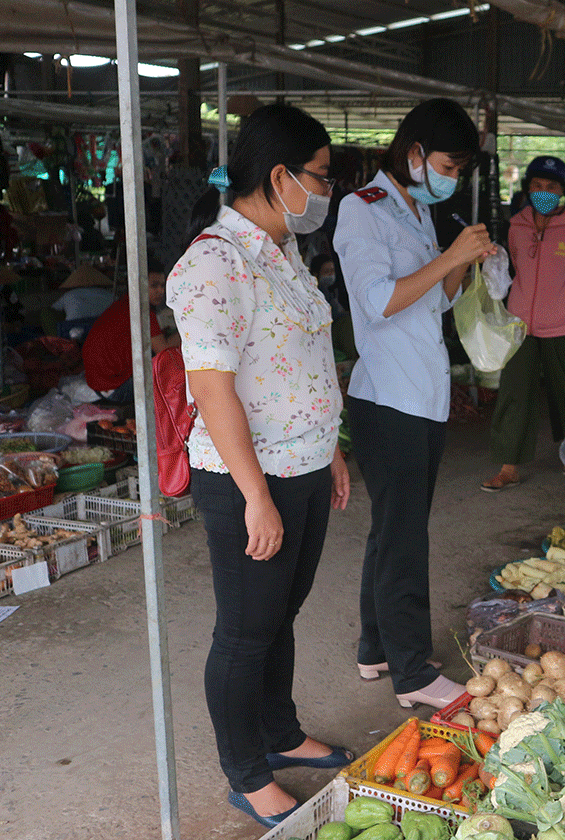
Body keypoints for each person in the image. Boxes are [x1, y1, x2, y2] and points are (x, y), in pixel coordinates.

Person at [167, 103, 351, 828]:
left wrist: (329, 446)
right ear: (280, 176)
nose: (327, 190)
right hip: (249, 479)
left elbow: (299, 358)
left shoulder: (280, 249)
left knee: (283, 612)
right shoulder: (213, 261)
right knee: (245, 629)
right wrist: (255, 497)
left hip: (303, 463)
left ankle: (280, 732)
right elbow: (211, 388)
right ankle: (246, 770)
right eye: (322, 176)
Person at [333, 98, 494, 708]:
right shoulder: (361, 210)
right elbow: (376, 301)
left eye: (460, 171)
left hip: (422, 394)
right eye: (449, 166)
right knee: (403, 540)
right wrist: (448, 258)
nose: (452, 179)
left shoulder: (417, 211)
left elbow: (434, 301)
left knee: (394, 531)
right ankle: (413, 673)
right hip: (387, 400)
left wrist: (461, 264)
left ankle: (375, 647)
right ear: (415, 153)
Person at [482, 156, 565, 492]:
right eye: (537, 186)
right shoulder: (517, 225)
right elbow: (514, 264)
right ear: (528, 189)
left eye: (551, 187)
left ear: (563, 191)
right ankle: (509, 466)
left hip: (561, 324)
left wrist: (562, 293)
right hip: (520, 324)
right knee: (514, 392)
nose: (544, 192)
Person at [81, 253, 180, 402]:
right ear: (138, 285)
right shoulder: (141, 310)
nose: (161, 291)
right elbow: (164, 350)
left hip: (98, 382)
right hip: (114, 387)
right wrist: (188, 330)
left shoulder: (126, 303)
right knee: (176, 379)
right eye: (154, 286)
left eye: (162, 285)